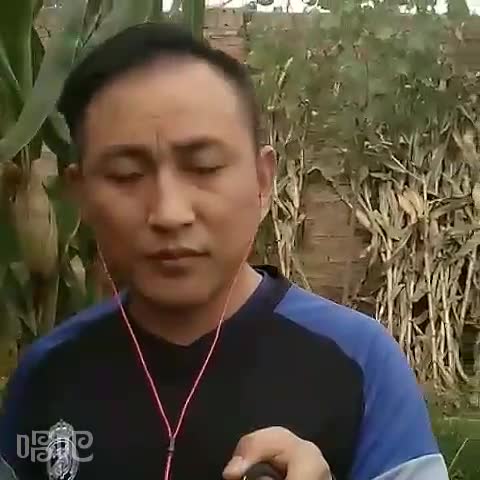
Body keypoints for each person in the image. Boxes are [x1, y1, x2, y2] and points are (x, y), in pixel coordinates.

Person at [0, 22, 449, 480]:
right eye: (126, 175)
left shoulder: (360, 360)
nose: (170, 213)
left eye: (204, 167)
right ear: (81, 195)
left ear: (262, 180)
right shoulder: (45, 376)